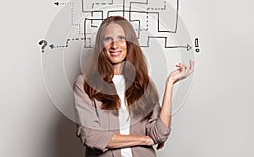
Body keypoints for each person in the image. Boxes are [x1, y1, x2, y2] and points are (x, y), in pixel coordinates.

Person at [73, 16, 194, 157]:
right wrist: (143, 139)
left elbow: (159, 135)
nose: (114, 45)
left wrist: (170, 83)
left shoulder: (142, 83)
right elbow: (91, 136)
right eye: (108, 39)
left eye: (121, 38)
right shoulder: (85, 84)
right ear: (101, 45)